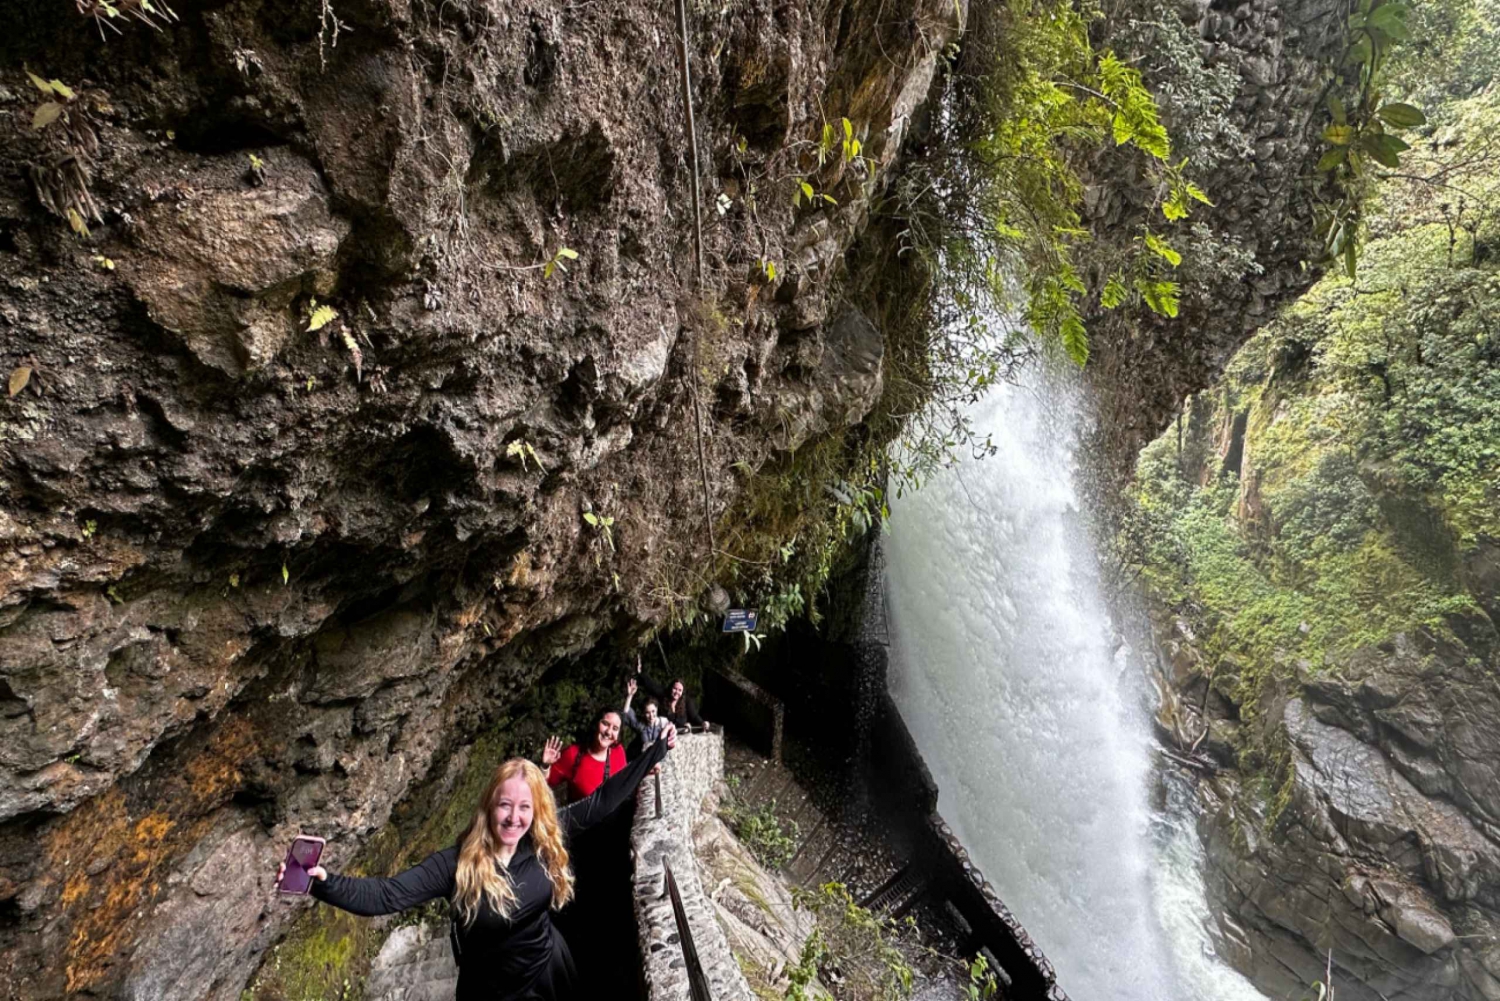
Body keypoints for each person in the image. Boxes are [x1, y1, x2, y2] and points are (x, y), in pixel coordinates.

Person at [277, 735, 673, 1001]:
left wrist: (654, 753)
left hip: (547, 969)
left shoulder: (541, 840)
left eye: (525, 808)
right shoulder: (455, 865)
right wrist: (322, 883)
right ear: (488, 806)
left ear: (536, 812)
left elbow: (602, 801)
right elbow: (386, 895)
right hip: (490, 989)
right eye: (505, 805)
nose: (514, 818)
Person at [541, 708, 636, 802]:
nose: (608, 732)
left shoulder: (618, 751)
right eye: (605, 724)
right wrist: (545, 766)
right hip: (580, 816)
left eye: (615, 728)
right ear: (596, 724)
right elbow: (543, 784)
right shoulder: (573, 754)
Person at [633, 653, 707, 731]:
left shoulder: (687, 702)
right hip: (663, 733)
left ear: (682, 692)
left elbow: (694, 716)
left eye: (680, 690)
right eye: (675, 689)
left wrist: (702, 723)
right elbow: (651, 686)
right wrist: (640, 673)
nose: (676, 692)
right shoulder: (663, 695)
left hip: (680, 735)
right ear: (670, 688)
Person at [622, 677, 669, 751]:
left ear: (656, 709)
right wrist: (630, 696)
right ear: (644, 713)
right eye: (647, 713)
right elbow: (626, 714)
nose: (651, 716)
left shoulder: (663, 722)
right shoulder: (641, 725)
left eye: (653, 711)